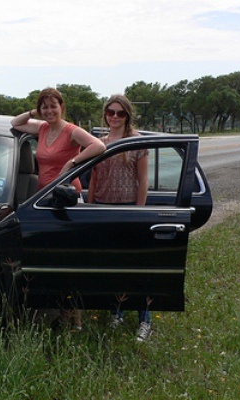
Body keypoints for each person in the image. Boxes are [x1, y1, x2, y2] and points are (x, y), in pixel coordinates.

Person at [11, 87, 106, 330]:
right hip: (44, 200)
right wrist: (35, 111)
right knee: (51, 260)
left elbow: (99, 146)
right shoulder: (42, 128)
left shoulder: (71, 131)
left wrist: (72, 162)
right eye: (45, 106)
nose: (49, 110)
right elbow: (16, 122)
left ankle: (75, 320)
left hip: (66, 199)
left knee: (69, 261)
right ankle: (59, 314)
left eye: (54, 106)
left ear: (61, 107)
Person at [87, 94, 152, 341]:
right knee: (111, 267)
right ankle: (117, 312)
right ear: (105, 114)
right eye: (110, 112)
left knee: (134, 268)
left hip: (127, 209)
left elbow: (143, 180)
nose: (114, 117)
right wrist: (90, 208)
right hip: (102, 209)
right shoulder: (98, 142)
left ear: (127, 115)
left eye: (120, 113)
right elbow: (93, 177)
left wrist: (139, 213)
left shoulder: (136, 142)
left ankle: (145, 320)